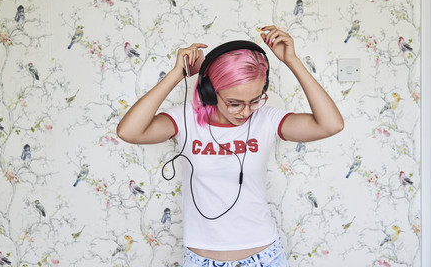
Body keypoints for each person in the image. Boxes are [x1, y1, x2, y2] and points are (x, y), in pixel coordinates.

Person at [116, 25, 344, 267]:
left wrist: (292, 61)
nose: (245, 112)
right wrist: (176, 74)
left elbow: (331, 125)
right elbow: (128, 131)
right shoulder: (185, 120)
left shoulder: (266, 120)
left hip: (265, 257)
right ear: (209, 93)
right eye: (234, 103)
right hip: (200, 260)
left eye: (255, 100)